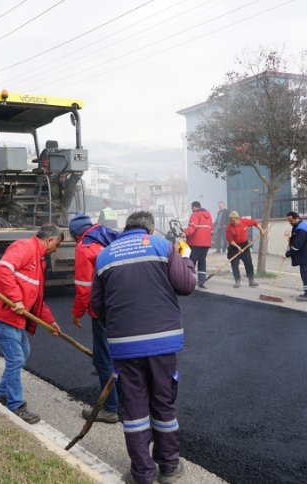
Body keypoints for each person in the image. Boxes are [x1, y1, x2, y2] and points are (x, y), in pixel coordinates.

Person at [91, 211, 195, 484]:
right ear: (149, 230)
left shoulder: (104, 255)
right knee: (163, 404)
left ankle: (142, 473)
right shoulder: (164, 247)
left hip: (124, 348)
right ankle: (169, 467)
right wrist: (186, 258)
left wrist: (118, 326)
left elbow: (97, 306)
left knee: (134, 411)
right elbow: (186, 286)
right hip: (162, 344)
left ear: (125, 228)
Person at [0, 223, 64, 425]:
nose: (56, 249)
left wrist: (50, 321)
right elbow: (3, 268)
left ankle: (1, 394)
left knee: (22, 354)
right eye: (57, 244)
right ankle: (15, 405)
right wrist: (16, 299)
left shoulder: (40, 260)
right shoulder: (25, 247)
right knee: (16, 358)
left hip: (14, 318)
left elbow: (36, 297)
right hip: (0, 315)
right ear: (50, 240)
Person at [68, 212, 120, 424]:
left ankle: (109, 408)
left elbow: (84, 288)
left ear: (75, 234)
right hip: (124, 306)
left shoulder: (84, 247)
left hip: (103, 310)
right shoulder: (109, 238)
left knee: (103, 359)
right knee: (126, 355)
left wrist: (77, 314)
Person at [284, 211, 307, 302]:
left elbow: (297, 245)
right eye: (288, 221)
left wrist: (288, 254)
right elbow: (296, 238)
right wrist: (291, 238)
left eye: (291, 220)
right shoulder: (302, 224)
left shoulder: (301, 229)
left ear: (297, 218)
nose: (290, 222)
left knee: (306, 274)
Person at [225, 211, 267, 288]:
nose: (232, 222)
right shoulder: (229, 227)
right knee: (234, 264)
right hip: (234, 247)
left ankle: (251, 280)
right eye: (231, 221)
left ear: (238, 219)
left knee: (248, 263)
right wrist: (238, 247)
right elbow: (230, 240)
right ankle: (237, 280)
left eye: (233, 221)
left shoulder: (244, 221)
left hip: (244, 244)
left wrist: (261, 230)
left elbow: (254, 223)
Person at [182, 201, 212, 288]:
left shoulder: (195, 214)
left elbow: (192, 226)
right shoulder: (208, 215)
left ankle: (189, 280)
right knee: (202, 261)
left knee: (191, 261)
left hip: (196, 242)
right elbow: (211, 230)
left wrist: (185, 233)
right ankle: (202, 280)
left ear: (194, 207)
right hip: (206, 243)